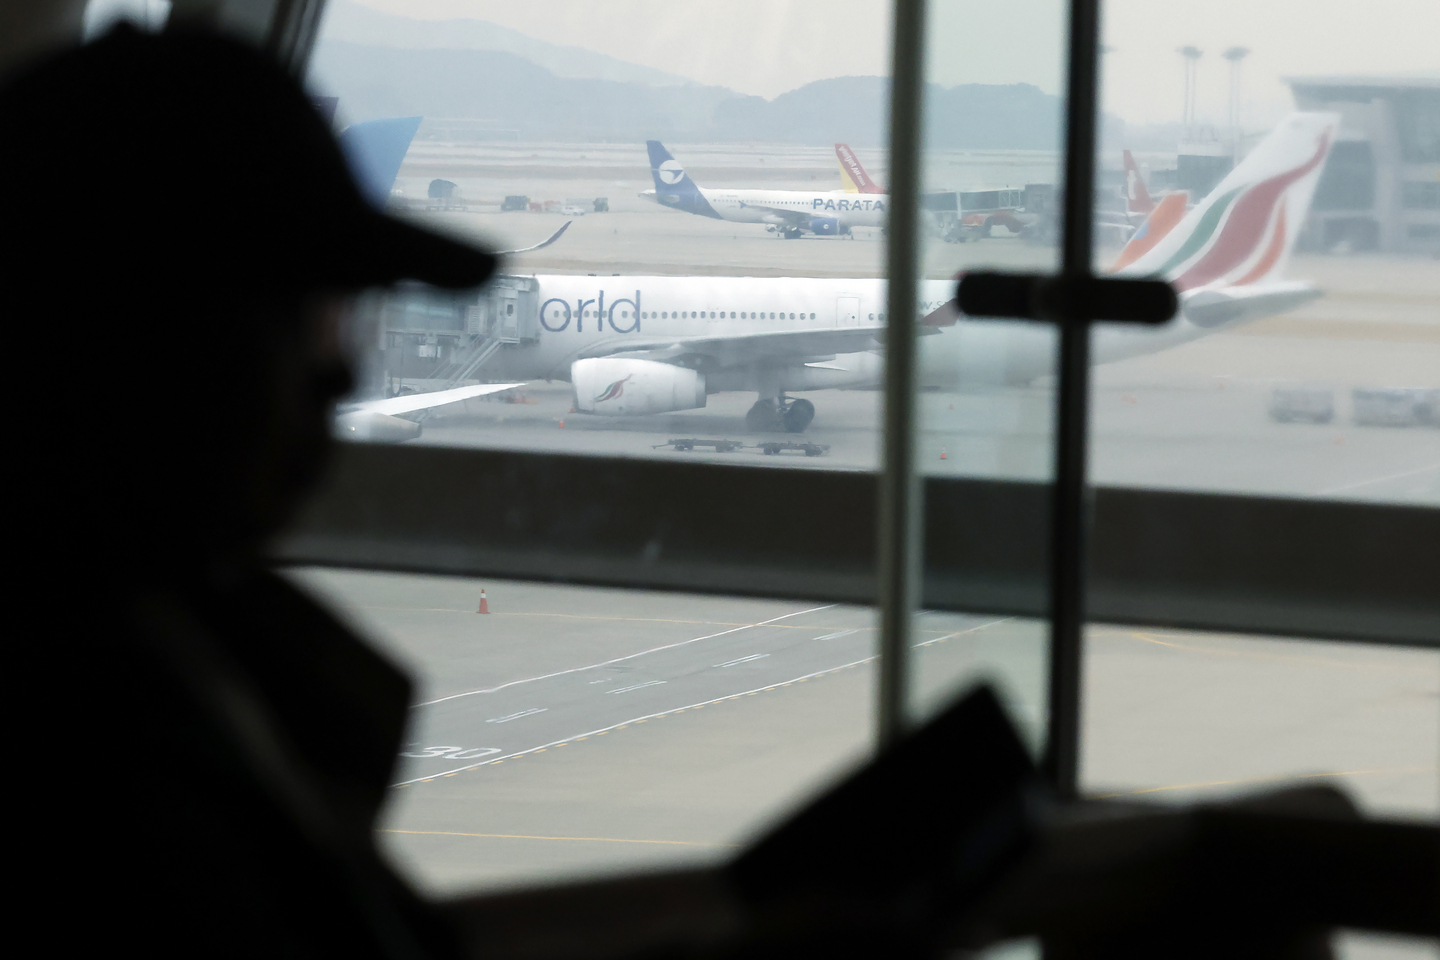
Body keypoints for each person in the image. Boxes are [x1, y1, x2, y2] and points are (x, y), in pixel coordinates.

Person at [7, 23, 494, 957]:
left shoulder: (159, 652)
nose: (340, 382)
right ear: (138, 339)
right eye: (300, 322)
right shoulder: (106, 763)